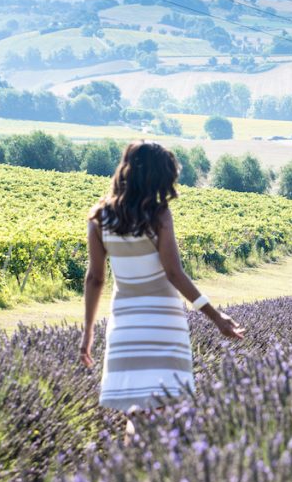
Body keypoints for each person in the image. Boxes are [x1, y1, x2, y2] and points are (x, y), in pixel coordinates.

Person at [80, 141, 244, 418]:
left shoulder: (100, 217)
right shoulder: (158, 216)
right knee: (164, 415)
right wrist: (215, 317)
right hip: (163, 325)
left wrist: (88, 332)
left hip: (125, 327)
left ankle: (133, 461)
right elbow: (174, 273)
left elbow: (95, 279)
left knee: (136, 416)